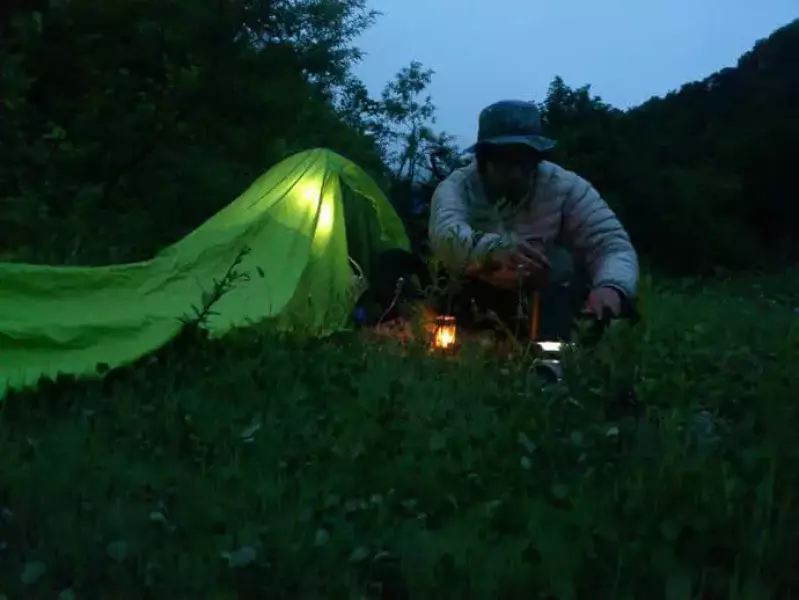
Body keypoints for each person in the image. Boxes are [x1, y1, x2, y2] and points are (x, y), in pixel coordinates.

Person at [428, 99, 639, 341]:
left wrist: (611, 287)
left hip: (546, 296)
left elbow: (611, 244)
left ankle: (552, 360)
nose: (517, 173)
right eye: (505, 162)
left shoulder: (566, 187)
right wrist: (493, 252)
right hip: (477, 291)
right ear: (483, 160)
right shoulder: (457, 188)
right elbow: (446, 235)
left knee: (564, 265)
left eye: (525, 161)